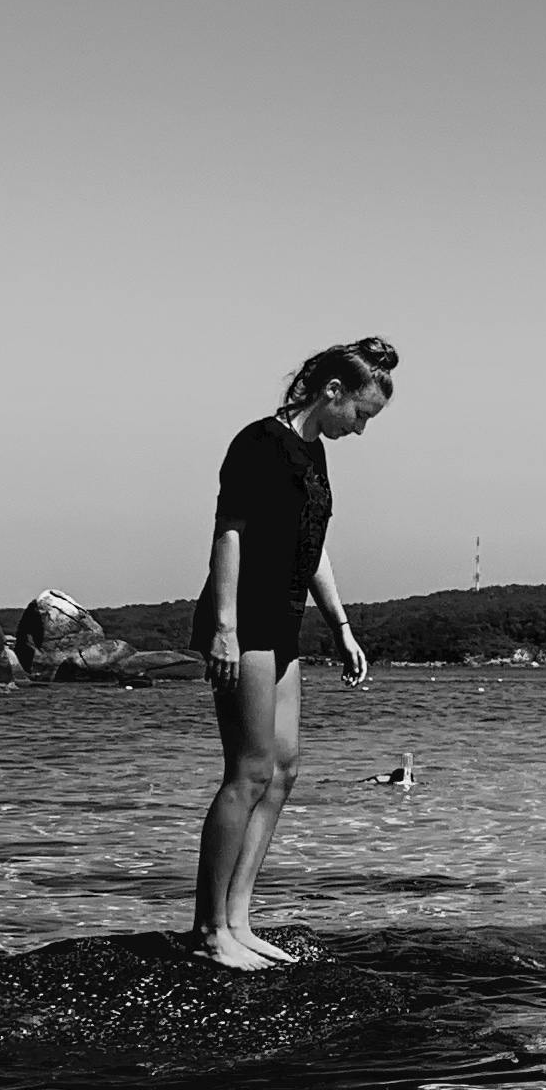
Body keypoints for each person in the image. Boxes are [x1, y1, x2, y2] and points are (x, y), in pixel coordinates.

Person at [189, 336, 397, 969]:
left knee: (284, 769)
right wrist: (223, 627)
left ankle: (239, 919)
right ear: (332, 391)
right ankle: (207, 931)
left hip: (284, 621)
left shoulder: (313, 454)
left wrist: (340, 625)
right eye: (360, 415)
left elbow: (314, 544)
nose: (359, 430)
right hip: (243, 620)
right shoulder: (258, 444)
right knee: (248, 772)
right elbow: (230, 530)